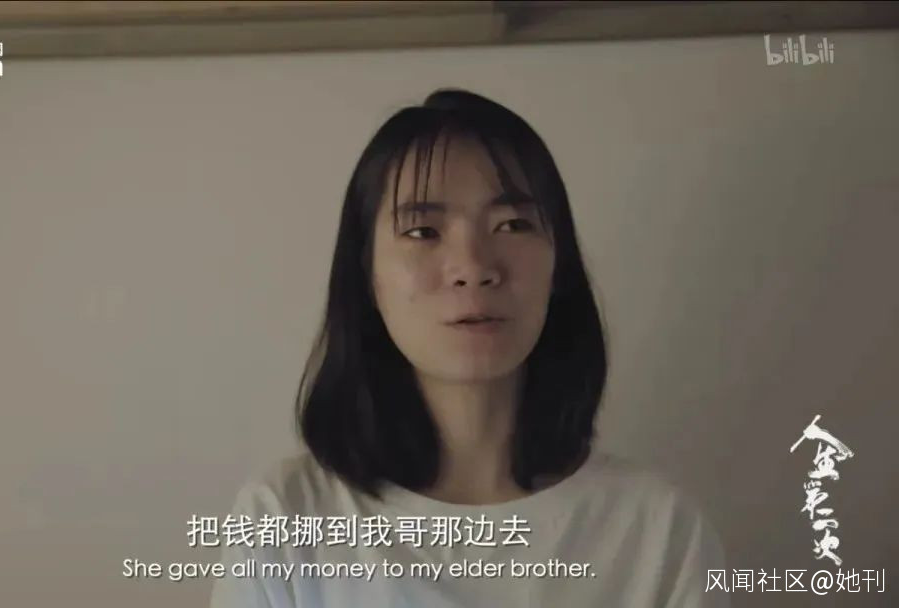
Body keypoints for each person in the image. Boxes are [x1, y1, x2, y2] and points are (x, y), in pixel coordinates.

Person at [209, 88, 728, 607]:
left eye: (512, 225)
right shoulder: (285, 517)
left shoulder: (659, 532)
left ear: (559, 268)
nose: (474, 267)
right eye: (423, 231)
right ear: (367, 277)